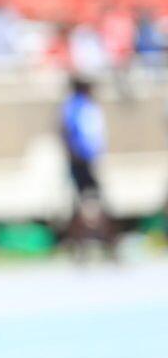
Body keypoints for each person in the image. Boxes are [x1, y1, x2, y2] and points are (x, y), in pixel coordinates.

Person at [60, 76, 117, 260]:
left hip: (88, 160)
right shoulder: (75, 107)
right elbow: (67, 132)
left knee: (89, 203)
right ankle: (87, 246)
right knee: (86, 204)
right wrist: (77, 157)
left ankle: (97, 245)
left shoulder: (84, 106)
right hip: (81, 162)